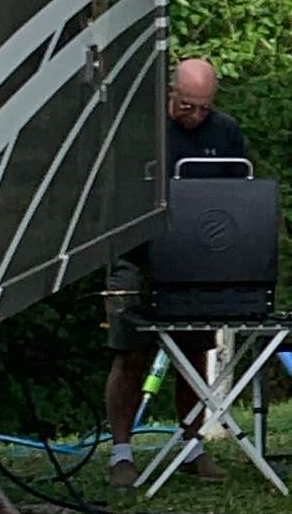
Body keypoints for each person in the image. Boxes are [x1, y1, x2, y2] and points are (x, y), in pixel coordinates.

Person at [103, 57, 250, 475]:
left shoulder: (225, 133)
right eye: (187, 106)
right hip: (137, 254)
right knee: (129, 352)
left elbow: (239, 198)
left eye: (203, 107)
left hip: (198, 257)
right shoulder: (138, 131)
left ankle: (191, 446)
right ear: (170, 93)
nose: (195, 115)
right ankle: (121, 452)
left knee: (195, 351)